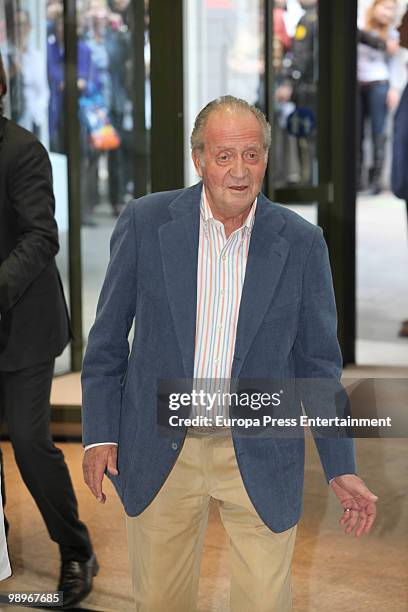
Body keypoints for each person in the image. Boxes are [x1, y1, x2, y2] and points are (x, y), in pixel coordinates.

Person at [82, 96, 378, 612]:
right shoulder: (146, 222)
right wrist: (101, 432)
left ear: (266, 157)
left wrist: (339, 464)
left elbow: (318, 365)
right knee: (158, 603)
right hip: (159, 451)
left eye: (252, 155)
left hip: (261, 450)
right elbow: (107, 340)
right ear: (199, 159)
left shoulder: (303, 242)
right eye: (224, 156)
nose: (240, 171)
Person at [0, 52, 97, 609]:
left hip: (24, 325)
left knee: (31, 443)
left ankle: (75, 549)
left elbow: (40, 237)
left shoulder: (22, 150)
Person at [358, 0, 402, 194]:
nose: (388, 13)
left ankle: (375, 182)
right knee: (357, 134)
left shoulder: (393, 32)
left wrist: (394, 88)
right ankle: (357, 181)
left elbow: (396, 63)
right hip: (358, 85)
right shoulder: (359, 26)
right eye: (385, 7)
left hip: (379, 85)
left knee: (378, 133)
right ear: (375, 7)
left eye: (392, 9)